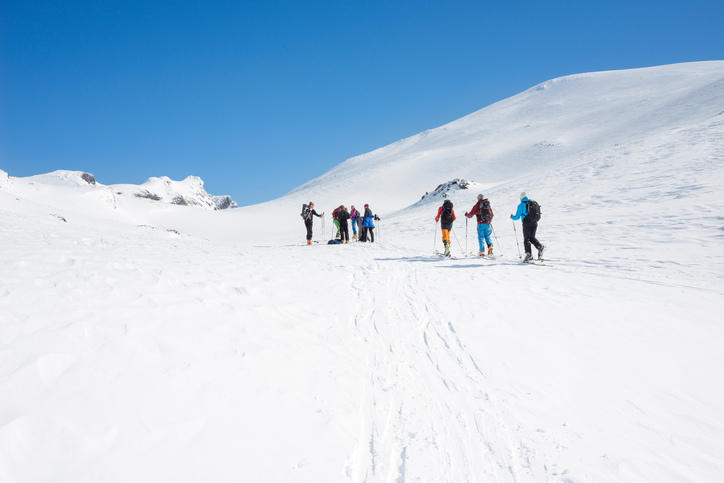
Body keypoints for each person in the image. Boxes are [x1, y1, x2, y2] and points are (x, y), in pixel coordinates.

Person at [511, 192, 545, 262]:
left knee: (526, 239)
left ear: (521, 198)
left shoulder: (521, 205)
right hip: (535, 223)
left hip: (526, 224)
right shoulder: (532, 203)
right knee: (532, 238)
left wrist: (512, 217)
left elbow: (517, 217)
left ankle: (529, 255)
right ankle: (540, 247)